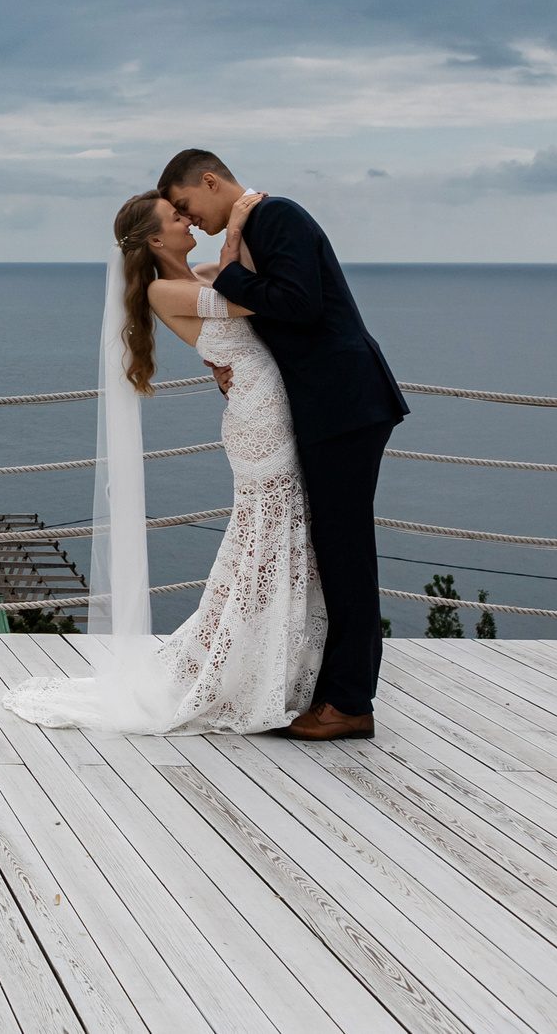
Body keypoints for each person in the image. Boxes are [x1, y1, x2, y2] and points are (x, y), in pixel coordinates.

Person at [3, 191, 326, 735]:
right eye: (177, 218)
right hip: (258, 416)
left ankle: (273, 660)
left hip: (267, 400)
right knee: (270, 532)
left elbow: (253, 289)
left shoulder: (200, 271)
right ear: (155, 239)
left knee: (277, 532)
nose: (187, 222)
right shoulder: (162, 288)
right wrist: (237, 225)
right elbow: (252, 302)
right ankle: (250, 667)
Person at [163, 149, 406, 741]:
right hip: (329, 405)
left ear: (211, 180)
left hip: (344, 404)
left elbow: (300, 304)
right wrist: (225, 366)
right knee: (337, 548)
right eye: (176, 215)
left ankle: (350, 703)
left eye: (186, 205)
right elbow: (273, 317)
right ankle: (335, 689)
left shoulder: (278, 217)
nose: (188, 219)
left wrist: (225, 271)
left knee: (346, 552)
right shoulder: (259, 226)